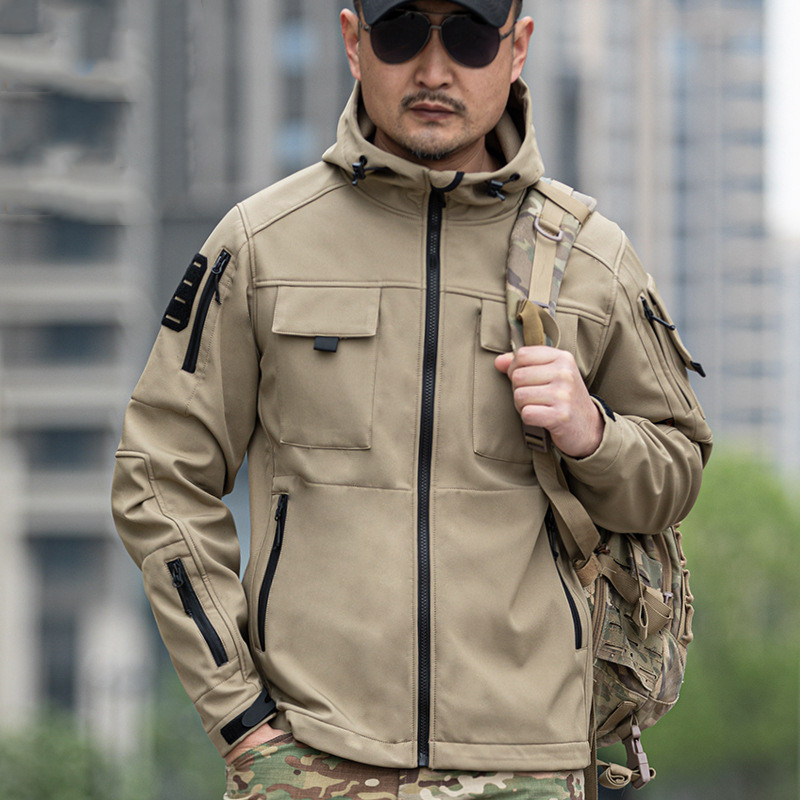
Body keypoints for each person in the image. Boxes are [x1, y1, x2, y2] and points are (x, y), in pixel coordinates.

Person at [112, 1, 712, 798]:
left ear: (517, 47)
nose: (433, 69)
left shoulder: (595, 262)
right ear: (353, 40)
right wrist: (242, 717)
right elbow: (158, 476)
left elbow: (676, 471)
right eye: (400, 34)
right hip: (309, 757)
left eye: (467, 36)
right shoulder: (260, 245)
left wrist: (592, 433)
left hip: (527, 765)